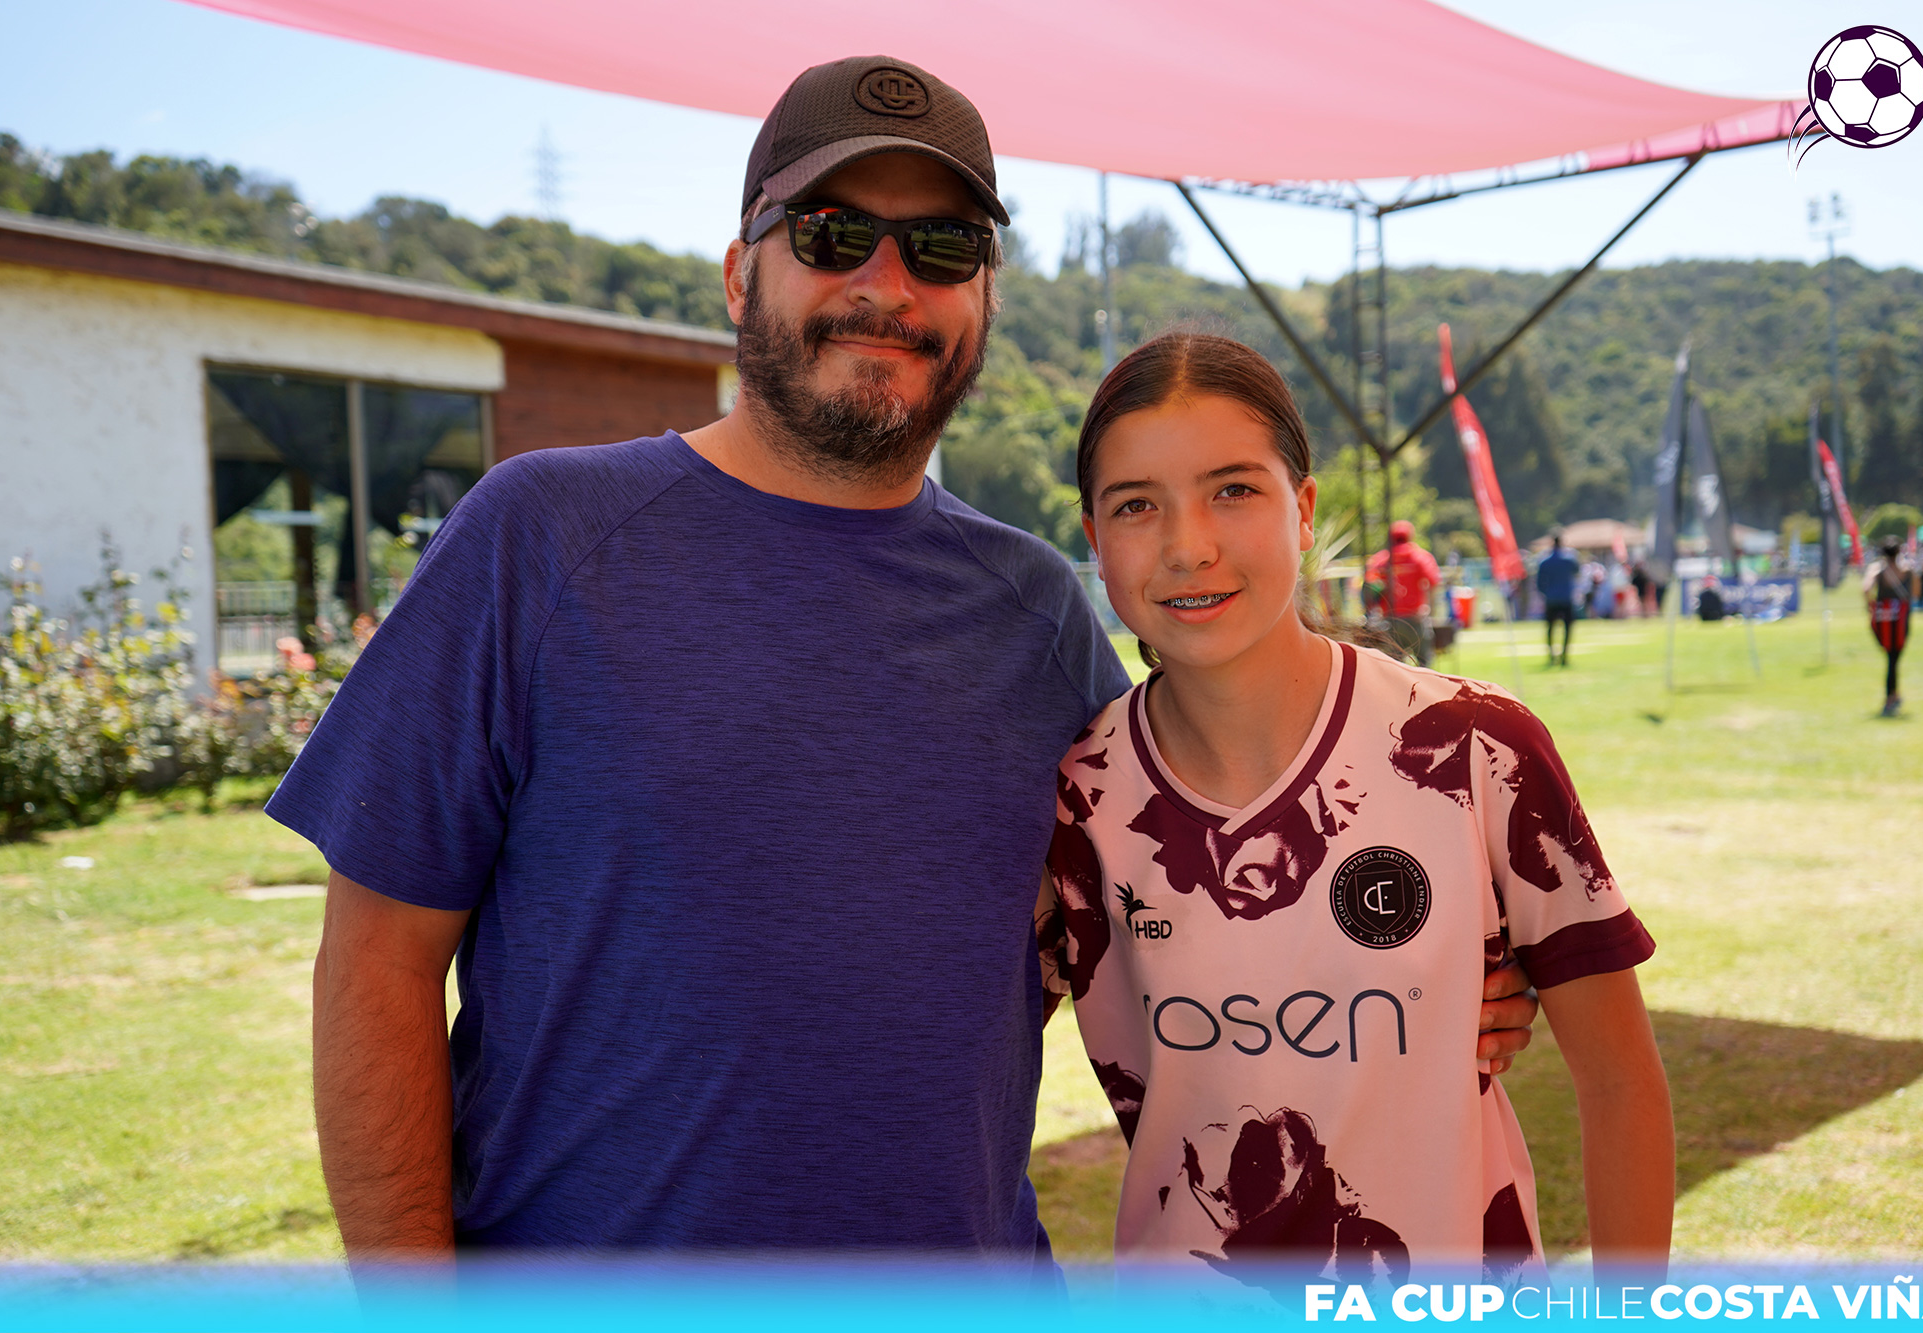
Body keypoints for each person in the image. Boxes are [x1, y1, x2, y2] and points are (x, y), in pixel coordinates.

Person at [271, 56, 1541, 1261]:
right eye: (831, 233)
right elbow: (378, 963)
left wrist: (1431, 969)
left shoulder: (1035, 609)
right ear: (738, 274)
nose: (886, 283)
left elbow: (1191, 896)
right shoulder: (537, 539)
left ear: (982, 299)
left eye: (941, 247)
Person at [1039, 334, 1672, 1292]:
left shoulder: (1474, 748)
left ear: (1303, 510)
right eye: (1137, 505)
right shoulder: (1076, 796)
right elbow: (950, 1054)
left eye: (1233, 490)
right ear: (1094, 537)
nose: (1188, 544)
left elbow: (1621, 1082)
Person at [1363, 520, 1440, 665]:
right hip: (1415, 617)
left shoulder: (1381, 560)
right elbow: (1434, 582)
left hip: (1390, 619)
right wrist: (1430, 609)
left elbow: (1369, 586)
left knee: (1394, 665)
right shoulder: (1419, 557)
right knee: (1424, 664)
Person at [1864, 538, 1913, 716]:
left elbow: (1866, 589)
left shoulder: (1877, 570)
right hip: (1901, 620)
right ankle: (1891, 697)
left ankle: (1893, 695)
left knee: (1891, 659)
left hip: (1883, 620)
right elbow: (1915, 592)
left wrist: (1870, 607)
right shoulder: (1906, 569)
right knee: (1894, 659)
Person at [1535, 531, 1579, 665]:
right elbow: (1577, 572)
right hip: (1566, 598)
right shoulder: (1569, 559)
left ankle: (1551, 656)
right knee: (1567, 628)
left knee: (1550, 628)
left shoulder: (1545, 560)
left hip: (1551, 598)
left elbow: (1539, 582)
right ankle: (1564, 656)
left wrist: (1546, 593)